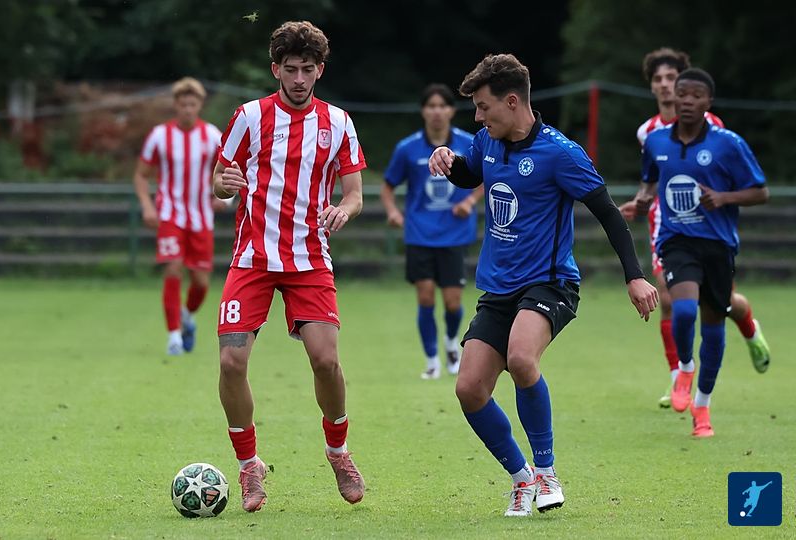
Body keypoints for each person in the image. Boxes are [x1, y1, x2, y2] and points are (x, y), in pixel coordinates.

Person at [429, 53, 657, 517]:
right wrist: (448, 162)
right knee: (468, 388)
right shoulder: (487, 141)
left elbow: (609, 213)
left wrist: (634, 275)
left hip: (550, 284)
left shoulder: (561, 153)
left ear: (512, 102)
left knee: (520, 357)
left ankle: (548, 471)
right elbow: (470, 173)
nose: (478, 118)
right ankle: (523, 478)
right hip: (498, 289)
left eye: (484, 107)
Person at [212, 21, 366, 512]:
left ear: (320, 70)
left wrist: (344, 210)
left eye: (308, 70)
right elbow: (219, 179)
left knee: (325, 361)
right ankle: (248, 465)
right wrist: (224, 184)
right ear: (275, 69)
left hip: (309, 259)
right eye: (291, 69)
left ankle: (338, 452)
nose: (299, 79)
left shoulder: (338, 122)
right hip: (253, 257)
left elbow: (355, 193)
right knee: (231, 362)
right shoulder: (249, 116)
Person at [619, 49, 771, 408]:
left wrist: (723, 198)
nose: (665, 86)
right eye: (658, 80)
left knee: (721, 304)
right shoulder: (648, 133)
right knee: (670, 301)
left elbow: (726, 174)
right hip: (668, 228)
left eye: (671, 78)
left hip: (711, 230)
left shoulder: (715, 129)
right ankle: (679, 379)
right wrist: (640, 201)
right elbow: (652, 178)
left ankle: (748, 325)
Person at [381, 83, 482, 380]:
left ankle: (451, 343)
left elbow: (487, 177)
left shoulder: (469, 143)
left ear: (451, 110)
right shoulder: (407, 148)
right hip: (419, 234)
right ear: (423, 111)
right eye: (431, 106)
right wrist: (393, 212)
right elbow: (388, 187)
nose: (437, 111)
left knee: (453, 302)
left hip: (454, 234)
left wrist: (469, 201)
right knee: (425, 298)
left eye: (442, 106)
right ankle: (431, 360)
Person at [134, 77, 226, 355]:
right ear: (176, 105)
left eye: (192, 104)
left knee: (201, 283)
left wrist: (225, 197)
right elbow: (141, 174)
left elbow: (229, 169)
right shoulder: (160, 136)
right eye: (183, 104)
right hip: (170, 215)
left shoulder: (212, 136)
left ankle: (187, 316)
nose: (187, 109)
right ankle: (173, 336)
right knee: (173, 269)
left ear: (200, 105)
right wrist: (147, 206)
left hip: (201, 217)